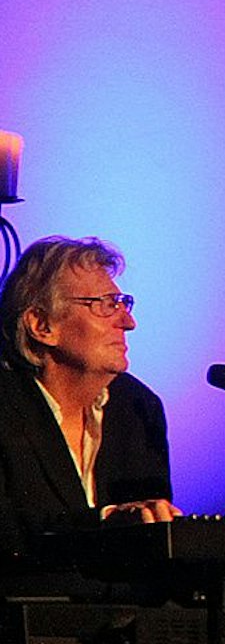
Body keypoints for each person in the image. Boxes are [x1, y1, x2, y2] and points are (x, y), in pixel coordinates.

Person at [0, 235, 176, 579]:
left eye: (123, 304)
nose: (128, 322)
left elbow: (154, 552)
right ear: (42, 325)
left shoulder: (138, 408)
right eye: (106, 304)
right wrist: (107, 521)